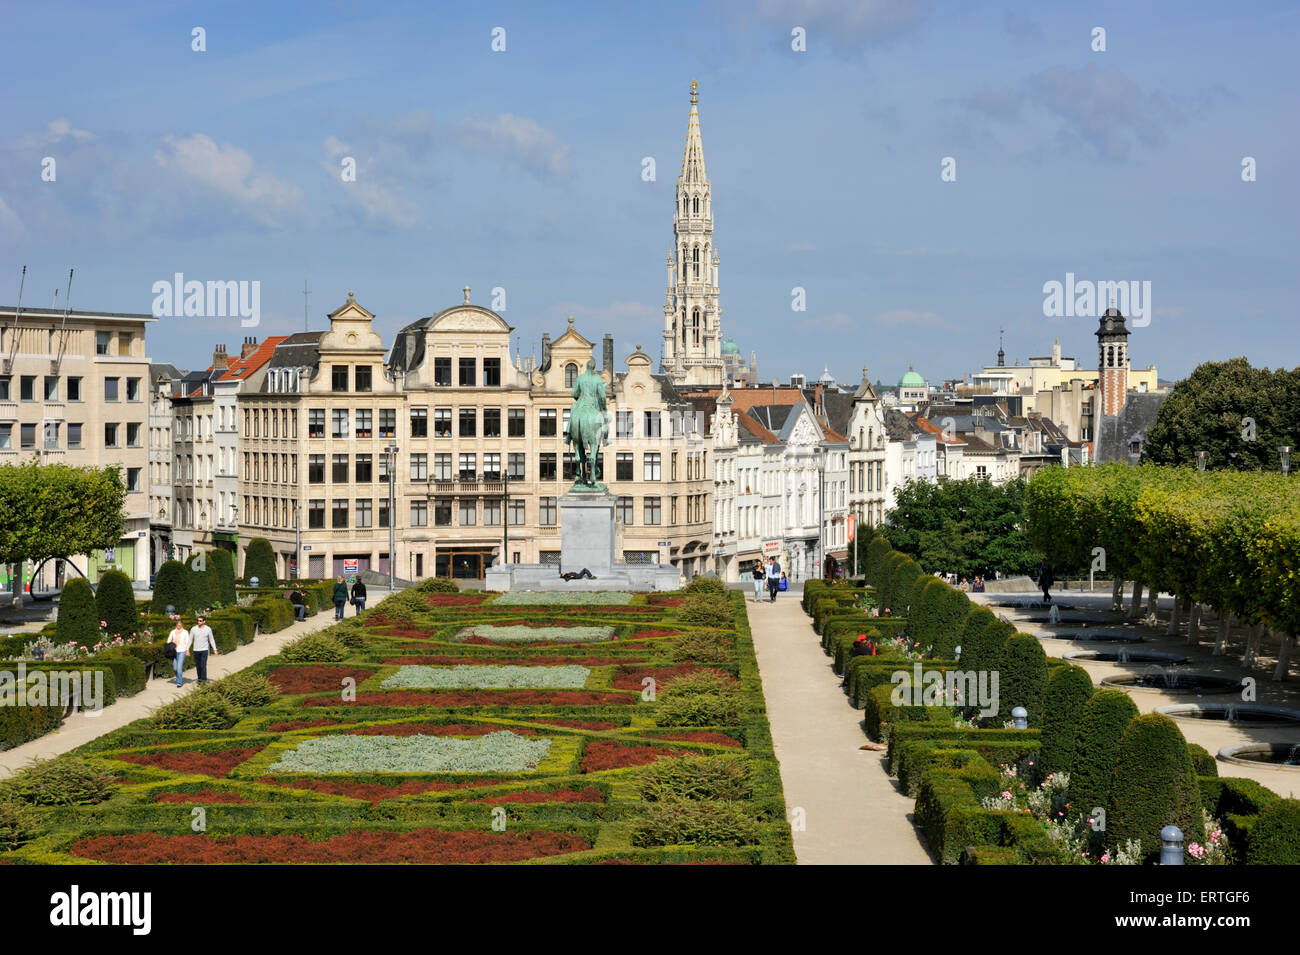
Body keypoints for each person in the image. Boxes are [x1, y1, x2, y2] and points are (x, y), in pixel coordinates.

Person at [189, 614, 218, 686]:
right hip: (196, 650)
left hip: (204, 650)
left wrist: (215, 649)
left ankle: (204, 680)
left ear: (204, 621)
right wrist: (187, 649)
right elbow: (190, 640)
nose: (198, 622)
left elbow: (211, 640)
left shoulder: (208, 629)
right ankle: (199, 679)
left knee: (203, 665)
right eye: (198, 620)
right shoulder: (193, 629)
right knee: (198, 666)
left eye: (200, 621)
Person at [167, 618, 190, 687]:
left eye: (180, 625)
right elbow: (168, 640)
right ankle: (178, 677)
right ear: (176, 625)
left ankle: (179, 682)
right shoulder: (173, 632)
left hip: (182, 651)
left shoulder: (185, 632)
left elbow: (188, 642)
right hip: (174, 652)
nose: (178, 626)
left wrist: (187, 650)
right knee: (175, 668)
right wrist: (170, 646)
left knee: (179, 668)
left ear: (182, 625)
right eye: (178, 625)